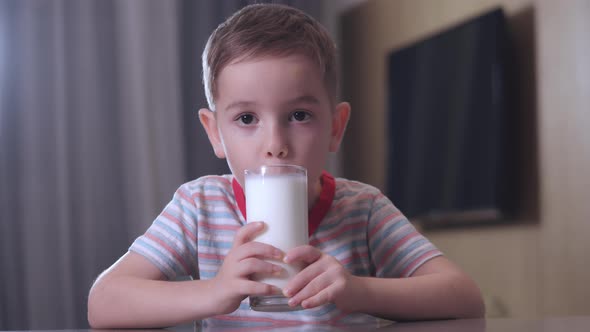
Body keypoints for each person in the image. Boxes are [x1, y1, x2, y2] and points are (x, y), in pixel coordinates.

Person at [87, 3, 485, 329]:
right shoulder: (199, 207)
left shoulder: (363, 209)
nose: (275, 146)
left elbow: (465, 298)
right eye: (246, 119)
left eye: (298, 115)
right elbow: (104, 304)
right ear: (214, 133)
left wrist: (357, 291)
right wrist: (215, 291)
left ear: (336, 127)